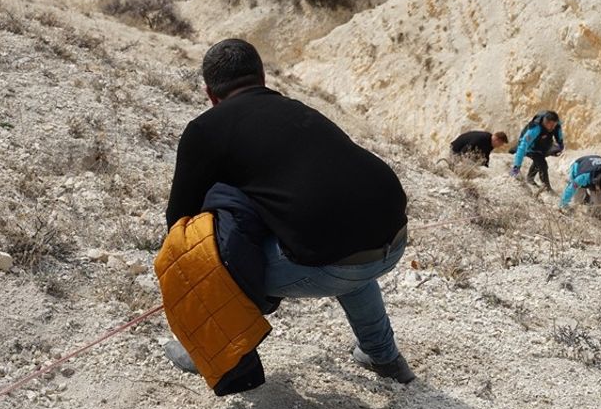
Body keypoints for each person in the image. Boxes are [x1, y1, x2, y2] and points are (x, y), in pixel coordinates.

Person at [164, 39, 415, 384]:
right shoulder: (298, 110)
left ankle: (209, 353)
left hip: (336, 263)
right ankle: (384, 357)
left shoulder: (204, 130)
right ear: (262, 77)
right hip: (393, 240)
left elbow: (179, 224)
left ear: (209, 93)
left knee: (208, 248)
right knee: (345, 243)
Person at [509, 111, 564, 190]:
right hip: (531, 147)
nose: (553, 128)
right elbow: (523, 146)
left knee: (550, 152)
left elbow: (559, 136)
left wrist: (561, 146)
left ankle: (530, 178)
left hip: (543, 145)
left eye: (554, 125)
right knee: (543, 164)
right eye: (551, 125)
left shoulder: (556, 125)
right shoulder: (535, 128)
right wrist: (516, 167)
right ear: (545, 122)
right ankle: (546, 188)